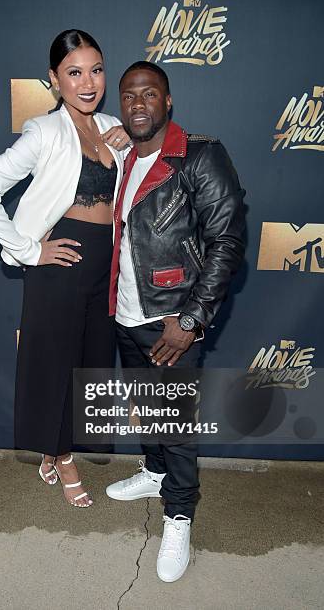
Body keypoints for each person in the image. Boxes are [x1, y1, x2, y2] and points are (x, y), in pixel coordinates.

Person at [0, 30, 130, 508]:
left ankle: (60, 447)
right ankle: (62, 456)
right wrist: (28, 250)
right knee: (54, 366)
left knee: (88, 364)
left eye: (96, 70)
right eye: (74, 72)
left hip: (106, 267)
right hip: (61, 264)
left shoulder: (113, 127)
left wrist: (133, 140)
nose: (87, 82)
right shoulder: (44, 130)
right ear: (54, 80)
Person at [105, 61, 245, 580]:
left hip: (171, 323)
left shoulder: (199, 156)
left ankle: (180, 515)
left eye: (149, 94)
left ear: (168, 101)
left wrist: (190, 319)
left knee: (178, 427)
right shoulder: (122, 155)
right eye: (129, 96)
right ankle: (154, 472)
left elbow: (227, 242)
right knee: (145, 407)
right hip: (125, 313)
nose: (138, 104)